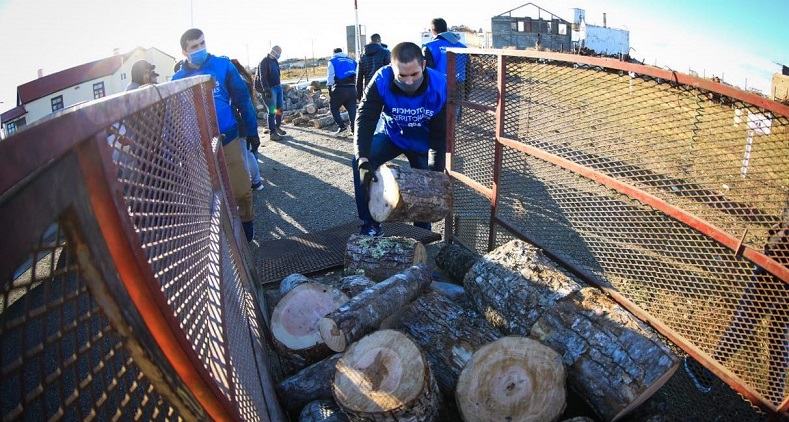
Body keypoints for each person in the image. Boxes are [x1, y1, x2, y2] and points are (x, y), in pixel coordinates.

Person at [684, 217, 789, 406]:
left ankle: (708, 369)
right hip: (782, 249)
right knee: (779, 329)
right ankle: (775, 404)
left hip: (783, 255)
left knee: (751, 314)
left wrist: (779, 239)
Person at [172, 28, 260, 242]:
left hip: (227, 137)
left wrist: (251, 130)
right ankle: (222, 236)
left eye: (202, 43)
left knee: (241, 190)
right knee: (208, 198)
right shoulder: (177, 78)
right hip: (198, 146)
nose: (200, 48)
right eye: (194, 46)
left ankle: (247, 227)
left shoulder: (222, 66)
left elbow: (242, 98)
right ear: (185, 52)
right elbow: (176, 115)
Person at [352, 42, 447, 237]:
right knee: (359, 162)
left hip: (423, 141)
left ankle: (421, 230)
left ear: (423, 65)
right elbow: (365, 118)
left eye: (414, 74)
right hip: (392, 135)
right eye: (402, 76)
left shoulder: (440, 86)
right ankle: (370, 224)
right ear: (391, 68)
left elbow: (439, 136)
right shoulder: (381, 79)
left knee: (426, 182)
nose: (409, 82)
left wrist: (435, 172)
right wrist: (362, 159)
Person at [422, 18, 468, 170]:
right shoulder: (462, 47)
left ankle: (436, 169)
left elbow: (425, 75)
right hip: (458, 91)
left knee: (435, 132)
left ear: (433, 30)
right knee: (450, 128)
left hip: (437, 92)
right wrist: (466, 97)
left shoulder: (429, 47)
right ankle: (450, 166)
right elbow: (469, 74)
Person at [230, 58, 264, 191]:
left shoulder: (235, 81)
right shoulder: (244, 77)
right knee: (251, 151)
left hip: (242, 119)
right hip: (249, 115)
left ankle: (254, 181)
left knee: (246, 153)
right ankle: (257, 180)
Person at [256, 45, 287, 142]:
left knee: (279, 109)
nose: (280, 55)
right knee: (272, 111)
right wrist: (266, 90)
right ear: (274, 52)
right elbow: (262, 77)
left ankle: (277, 127)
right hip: (270, 89)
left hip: (278, 87)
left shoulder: (275, 61)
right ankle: (272, 133)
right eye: (279, 53)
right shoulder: (264, 62)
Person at [327, 47, 358, 137]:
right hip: (352, 88)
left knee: (333, 107)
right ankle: (354, 129)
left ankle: (342, 127)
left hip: (340, 88)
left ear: (334, 53)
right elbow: (356, 73)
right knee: (352, 109)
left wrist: (329, 87)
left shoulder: (333, 60)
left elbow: (330, 75)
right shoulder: (352, 60)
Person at [356, 34, 390, 101]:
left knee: (370, 110)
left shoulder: (363, 56)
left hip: (368, 88)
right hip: (383, 86)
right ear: (379, 40)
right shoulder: (385, 52)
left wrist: (359, 95)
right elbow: (390, 71)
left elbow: (359, 77)